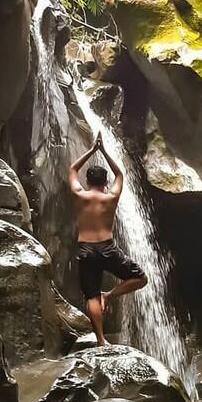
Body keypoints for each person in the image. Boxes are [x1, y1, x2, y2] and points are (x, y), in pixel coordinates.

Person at [69, 131, 147, 346]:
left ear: (87, 181)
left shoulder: (79, 195)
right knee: (140, 278)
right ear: (105, 182)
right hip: (107, 248)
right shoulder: (111, 197)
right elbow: (120, 174)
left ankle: (101, 341)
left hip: (86, 249)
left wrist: (91, 150)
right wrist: (103, 151)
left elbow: (73, 169)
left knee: (91, 296)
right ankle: (110, 296)